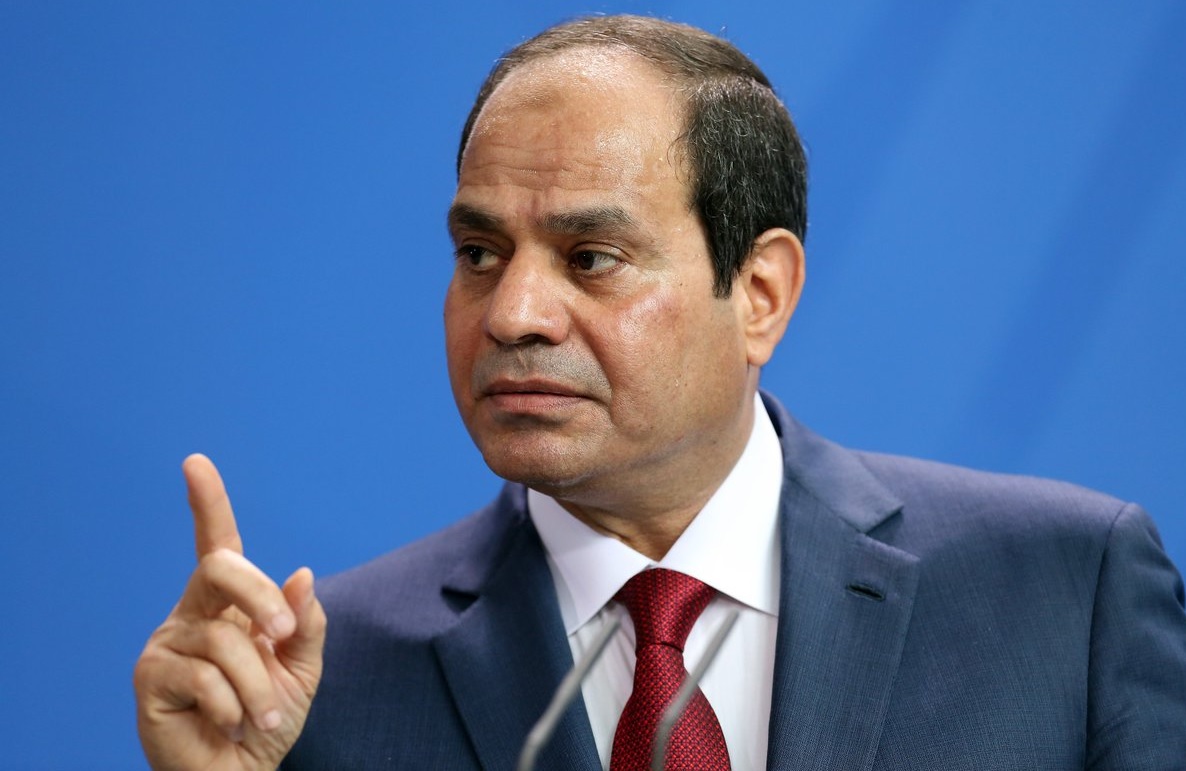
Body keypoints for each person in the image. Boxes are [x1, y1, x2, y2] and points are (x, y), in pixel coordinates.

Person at [133, 14, 1186, 770]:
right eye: (479, 252)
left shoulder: (1066, 594)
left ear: (760, 295)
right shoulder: (317, 684)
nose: (512, 314)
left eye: (590, 257)